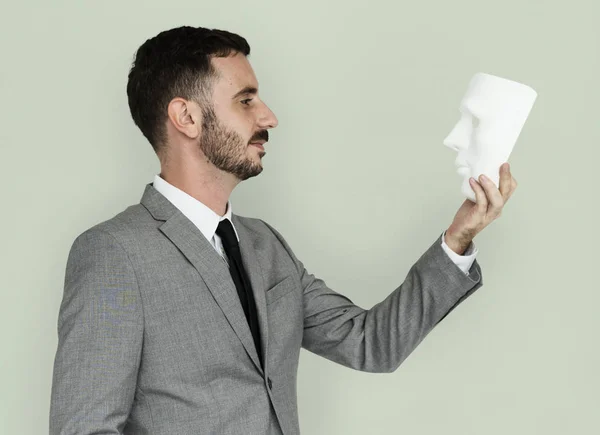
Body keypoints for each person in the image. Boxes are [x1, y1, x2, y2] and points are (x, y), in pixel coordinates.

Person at [49, 26, 518, 435]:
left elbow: (370, 343)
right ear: (186, 117)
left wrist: (457, 238)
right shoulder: (113, 253)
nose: (268, 117)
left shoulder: (264, 244)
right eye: (246, 100)